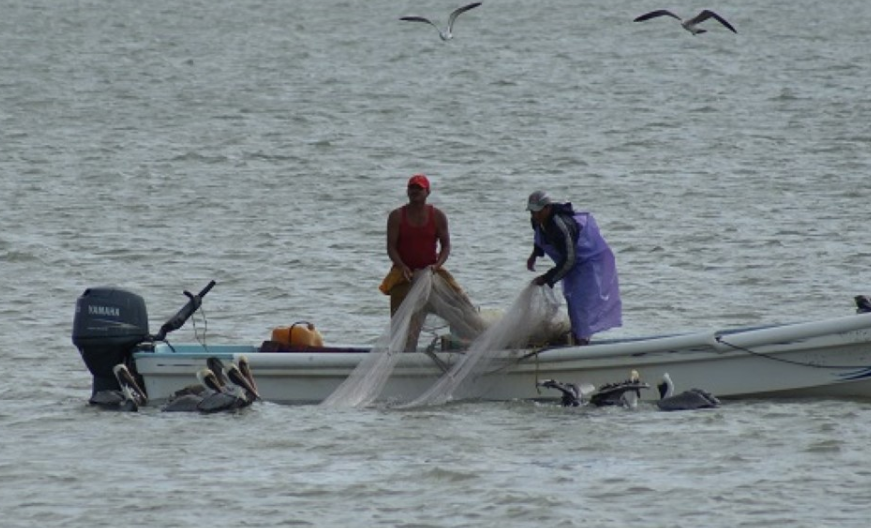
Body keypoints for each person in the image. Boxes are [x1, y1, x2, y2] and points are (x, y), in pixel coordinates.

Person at [379, 174, 482, 351]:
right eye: (412, 188)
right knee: (402, 328)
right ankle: (402, 355)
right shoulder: (396, 216)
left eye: (419, 188)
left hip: (431, 274)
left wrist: (436, 265)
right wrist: (402, 266)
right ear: (407, 192)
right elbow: (391, 247)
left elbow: (446, 246)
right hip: (403, 276)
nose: (415, 191)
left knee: (462, 306)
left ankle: (480, 342)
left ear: (428, 192)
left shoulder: (437, 216)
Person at [526, 190, 622, 345]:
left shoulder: (561, 226)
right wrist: (534, 255)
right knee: (571, 299)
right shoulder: (537, 220)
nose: (535, 215)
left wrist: (547, 278)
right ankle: (578, 339)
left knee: (581, 303)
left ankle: (582, 342)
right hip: (571, 263)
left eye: (538, 212)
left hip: (587, 262)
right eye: (532, 212)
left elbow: (570, 259)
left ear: (548, 208)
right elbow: (540, 237)